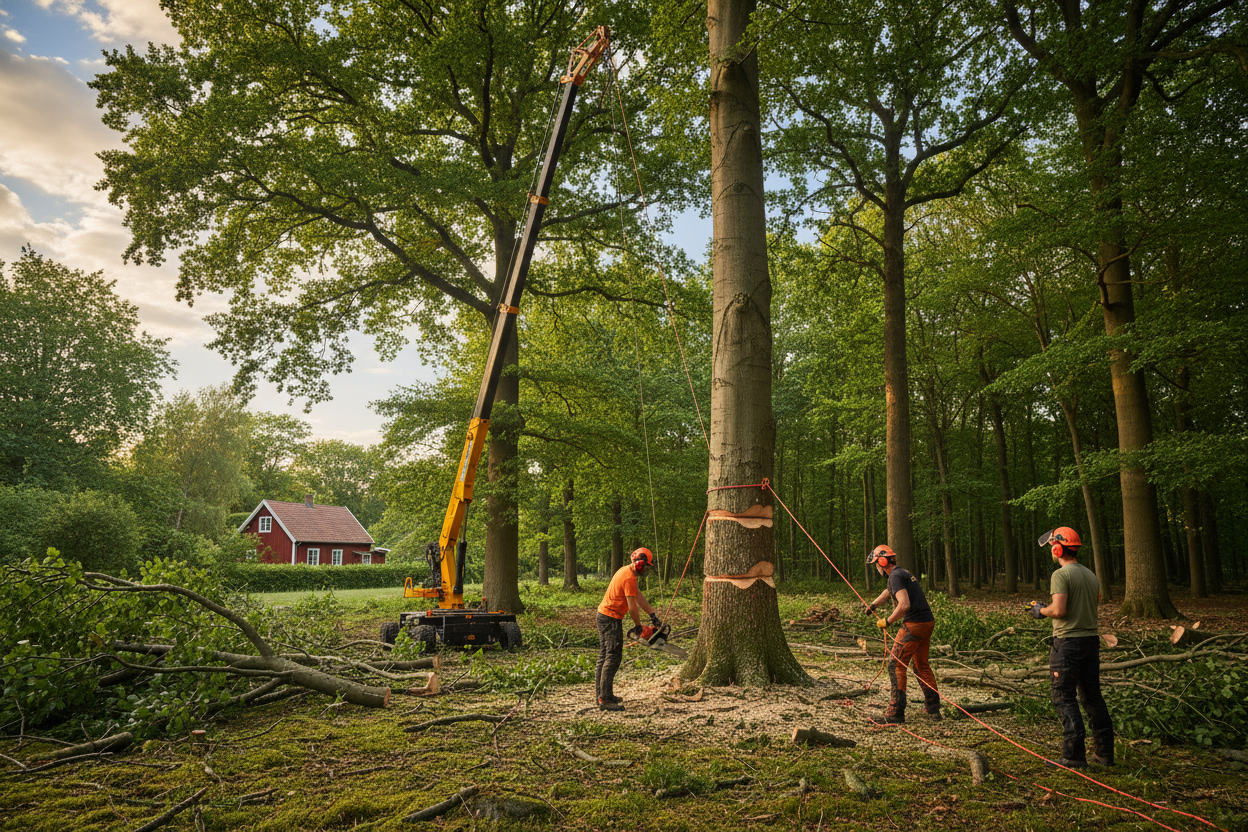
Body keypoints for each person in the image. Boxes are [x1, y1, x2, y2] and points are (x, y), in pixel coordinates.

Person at [1029, 526, 1114, 768]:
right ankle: (1105, 753)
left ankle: (1074, 756)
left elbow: (1059, 610)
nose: (1051, 552)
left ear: (1057, 548)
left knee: (1063, 696)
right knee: (1092, 697)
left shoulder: (1061, 575)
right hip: (1090, 641)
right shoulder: (1090, 575)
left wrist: (1040, 610)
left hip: (1067, 643)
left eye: (1051, 548)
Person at [864, 544, 940, 724]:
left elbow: (904, 604)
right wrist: (873, 605)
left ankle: (895, 713)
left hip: (914, 625)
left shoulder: (896, 576)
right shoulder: (900, 574)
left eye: (876, 564)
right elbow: (888, 592)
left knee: (896, 665)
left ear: (882, 562)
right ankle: (933, 709)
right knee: (921, 665)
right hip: (927, 622)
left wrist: (888, 621)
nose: (876, 568)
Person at [595, 547, 662, 711]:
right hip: (610, 618)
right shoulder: (629, 577)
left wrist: (652, 615)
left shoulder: (627, 572)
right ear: (640, 563)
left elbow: (638, 597)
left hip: (607, 616)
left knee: (606, 654)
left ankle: (604, 694)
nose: (645, 571)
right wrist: (639, 627)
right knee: (612, 655)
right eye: (645, 567)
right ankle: (604, 699)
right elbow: (632, 607)